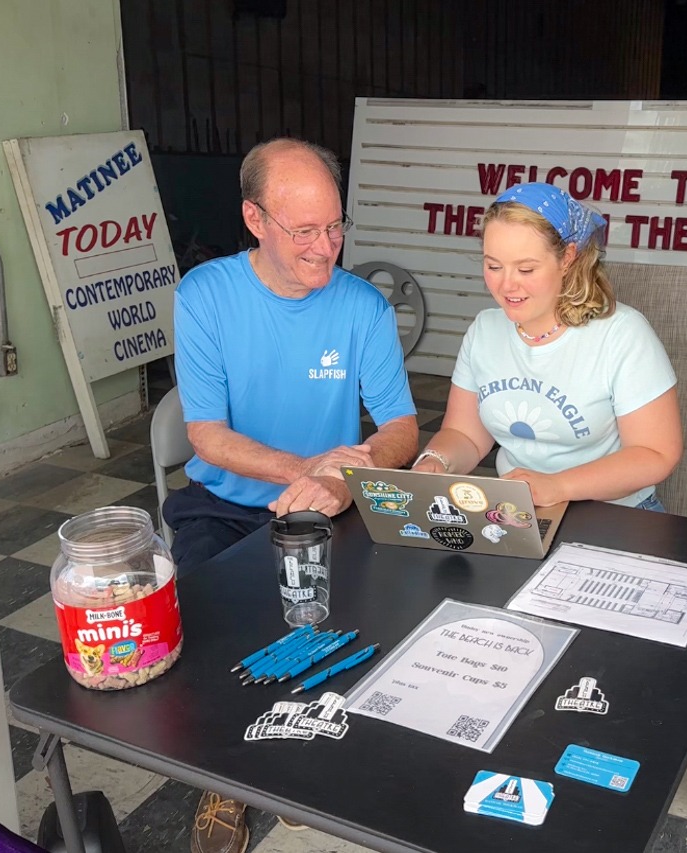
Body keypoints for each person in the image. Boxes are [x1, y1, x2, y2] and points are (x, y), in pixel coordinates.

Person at [162, 137, 418, 853]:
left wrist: (338, 480)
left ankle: (303, 753)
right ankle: (225, 779)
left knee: (350, 624)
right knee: (210, 632)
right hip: (223, 503)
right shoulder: (206, 295)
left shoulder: (362, 305)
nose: (326, 248)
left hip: (329, 502)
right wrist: (306, 468)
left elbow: (400, 424)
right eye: (304, 231)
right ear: (254, 219)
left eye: (335, 226)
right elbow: (207, 434)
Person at [412, 182, 682, 510]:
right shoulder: (485, 330)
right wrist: (435, 461)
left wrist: (556, 486)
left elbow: (656, 454)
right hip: (517, 513)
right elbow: (465, 434)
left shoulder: (622, 334)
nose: (506, 284)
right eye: (493, 265)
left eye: (526, 268)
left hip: (613, 515)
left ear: (568, 257)